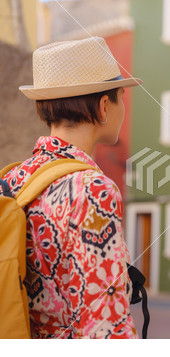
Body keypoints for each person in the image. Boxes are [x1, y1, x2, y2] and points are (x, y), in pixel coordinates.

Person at [1, 37, 142, 338]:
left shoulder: (13, 180)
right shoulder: (92, 190)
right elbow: (107, 323)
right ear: (105, 106)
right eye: (121, 96)